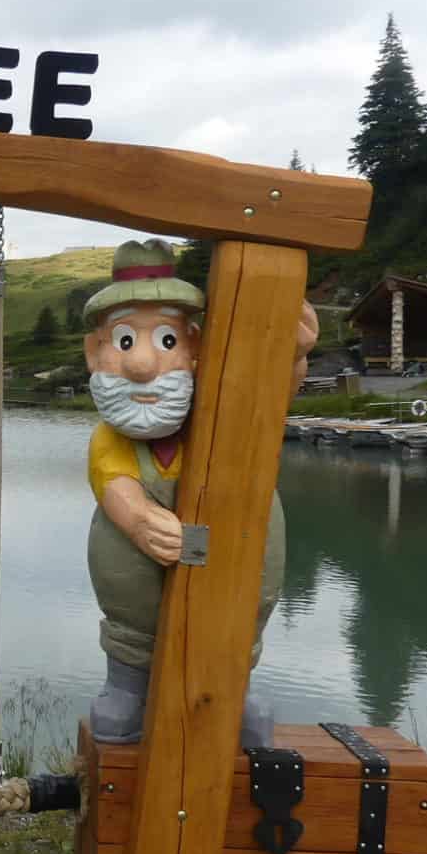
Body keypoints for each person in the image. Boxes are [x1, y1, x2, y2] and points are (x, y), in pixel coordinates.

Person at [82, 240, 318, 748]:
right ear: (94, 352)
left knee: (240, 603)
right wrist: (139, 516)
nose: (144, 365)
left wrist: (293, 353)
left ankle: (233, 688)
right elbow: (112, 477)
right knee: (133, 612)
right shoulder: (113, 437)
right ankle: (129, 686)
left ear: (195, 345)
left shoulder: (220, 412)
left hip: (232, 542)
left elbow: (270, 400)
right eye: (125, 342)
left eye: (166, 340)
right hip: (140, 566)